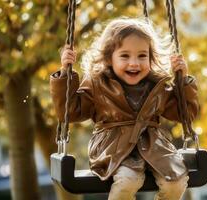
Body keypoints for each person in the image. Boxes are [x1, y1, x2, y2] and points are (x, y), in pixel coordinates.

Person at [50, 17, 199, 200]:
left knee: (176, 181)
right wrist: (65, 73)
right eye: (125, 56)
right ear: (109, 58)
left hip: (155, 147)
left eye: (142, 55)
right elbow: (70, 111)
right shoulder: (98, 84)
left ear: (151, 58)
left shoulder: (157, 86)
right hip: (113, 147)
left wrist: (183, 81)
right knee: (128, 180)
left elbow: (186, 114)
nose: (134, 63)